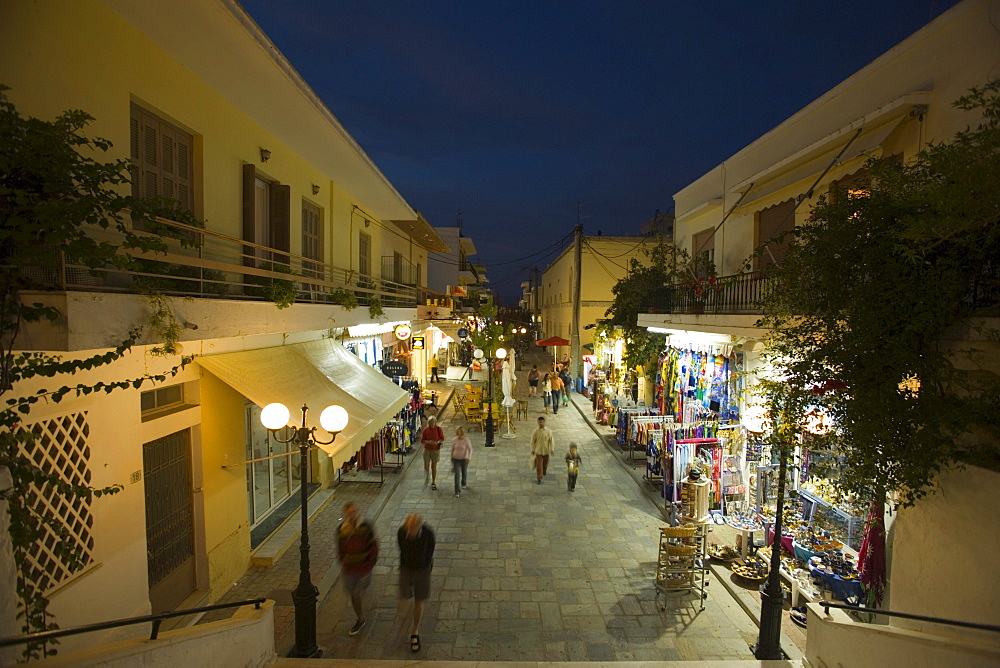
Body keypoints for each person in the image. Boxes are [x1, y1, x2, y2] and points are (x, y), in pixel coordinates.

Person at [337, 502, 379, 636]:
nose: (352, 515)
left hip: (364, 568)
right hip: (349, 568)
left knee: (355, 594)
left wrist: (371, 561)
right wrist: (343, 560)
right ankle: (359, 608)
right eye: (349, 513)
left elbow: (373, 544)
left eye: (354, 512)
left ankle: (360, 619)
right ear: (345, 514)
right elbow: (340, 547)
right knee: (351, 592)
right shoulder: (342, 529)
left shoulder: (365, 526)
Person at [397, 513, 435, 653]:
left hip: (422, 570)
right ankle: (404, 618)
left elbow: (430, 550)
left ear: (418, 526)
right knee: (404, 598)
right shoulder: (402, 532)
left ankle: (415, 631)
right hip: (406, 569)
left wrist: (425, 564)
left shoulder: (427, 534)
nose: (409, 530)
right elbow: (401, 549)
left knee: (419, 600)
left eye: (412, 527)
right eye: (408, 526)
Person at [420, 416, 444, 490]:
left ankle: (433, 482)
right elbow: (422, 440)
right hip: (427, 449)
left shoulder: (438, 429)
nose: (432, 423)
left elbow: (442, 438)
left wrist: (438, 442)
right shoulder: (426, 430)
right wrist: (429, 442)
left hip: (435, 450)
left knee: (434, 466)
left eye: (433, 422)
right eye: (430, 422)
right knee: (426, 465)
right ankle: (427, 474)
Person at [530, 416, 554, 484]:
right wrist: (532, 449)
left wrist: (552, 449)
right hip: (538, 451)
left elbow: (551, 440)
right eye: (539, 422)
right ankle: (539, 477)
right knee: (538, 465)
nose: (541, 423)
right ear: (538, 422)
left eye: (542, 422)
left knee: (545, 463)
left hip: (546, 450)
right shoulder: (535, 432)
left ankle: (544, 470)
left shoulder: (548, 431)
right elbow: (532, 441)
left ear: (544, 422)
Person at [451, 426, 472, 497]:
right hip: (456, 459)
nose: (458, 433)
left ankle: (463, 483)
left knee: (464, 472)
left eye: (459, 432)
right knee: (457, 475)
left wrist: (469, 457)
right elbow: (453, 449)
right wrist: (452, 457)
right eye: (457, 432)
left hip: (464, 459)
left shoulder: (466, 440)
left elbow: (470, 449)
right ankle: (457, 491)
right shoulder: (454, 440)